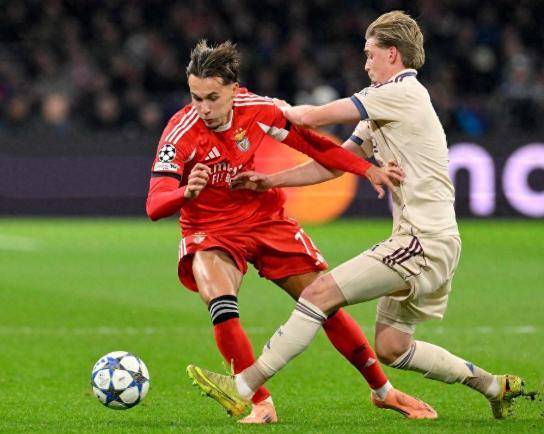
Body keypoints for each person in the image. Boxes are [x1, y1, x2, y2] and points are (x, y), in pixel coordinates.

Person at [187, 11, 527, 420]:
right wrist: (271, 181)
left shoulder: (402, 91)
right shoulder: (383, 109)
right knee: (392, 347)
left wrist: (266, 105)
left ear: (392, 54)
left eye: (370, 54)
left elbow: (309, 117)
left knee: (318, 294)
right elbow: (333, 164)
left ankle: (243, 386)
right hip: (431, 241)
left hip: (421, 240)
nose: (365, 64)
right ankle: (494, 386)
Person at [147, 39, 435, 423]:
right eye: (196, 98)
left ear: (234, 90)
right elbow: (155, 204)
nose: (204, 109)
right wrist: (186, 192)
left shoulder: (258, 109)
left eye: (213, 98)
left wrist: (367, 169)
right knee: (220, 300)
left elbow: (316, 146)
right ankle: (260, 403)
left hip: (265, 219)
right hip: (210, 229)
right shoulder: (180, 131)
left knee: (324, 301)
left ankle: (383, 392)